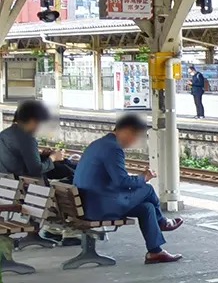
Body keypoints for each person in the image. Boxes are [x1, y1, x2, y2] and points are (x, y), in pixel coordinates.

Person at [74, 114, 183, 264]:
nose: (134, 141)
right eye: (134, 136)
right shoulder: (113, 148)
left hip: (87, 203)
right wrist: (144, 177)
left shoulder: (98, 144)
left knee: (147, 207)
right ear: (125, 131)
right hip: (100, 207)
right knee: (148, 189)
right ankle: (162, 222)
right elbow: (122, 182)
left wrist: (138, 179)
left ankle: (155, 252)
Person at [0, 99, 75, 181]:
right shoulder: (27, 139)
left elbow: (17, 159)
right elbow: (36, 170)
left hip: (7, 182)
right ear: (33, 120)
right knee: (66, 169)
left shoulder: (4, 134)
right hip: (24, 184)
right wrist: (53, 157)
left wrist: (40, 155)